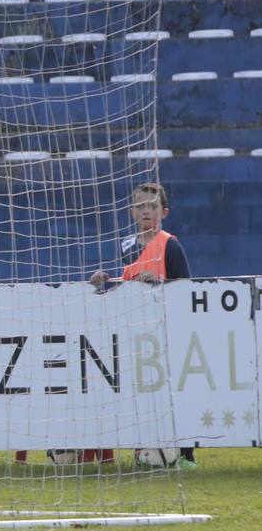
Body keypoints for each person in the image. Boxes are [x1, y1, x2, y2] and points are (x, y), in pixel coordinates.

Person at [90, 181, 195, 467]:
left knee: (173, 393)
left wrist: (159, 283)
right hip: (134, 334)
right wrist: (105, 281)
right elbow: (124, 284)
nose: (146, 211)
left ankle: (186, 455)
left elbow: (185, 288)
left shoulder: (170, 244)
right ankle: (143, 451)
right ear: (132, 212)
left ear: (164, 212)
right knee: (138, 392)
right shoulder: (125, 247)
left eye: (152, 206)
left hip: (166, 331)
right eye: (140, 206)